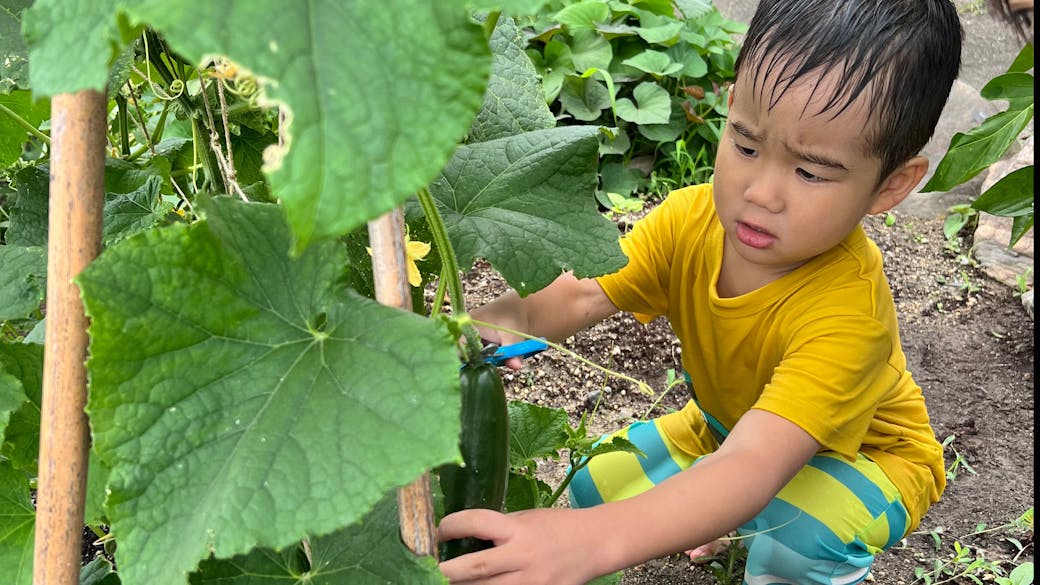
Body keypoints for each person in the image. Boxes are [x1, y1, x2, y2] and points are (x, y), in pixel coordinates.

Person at [437, 0, 963, 583]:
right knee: (595, 484)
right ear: (732, 105)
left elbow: (756, 463)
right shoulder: (689, 219)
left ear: (892, 185)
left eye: (810, 172)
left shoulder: (849, 311)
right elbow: (579, 297)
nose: (761, 192)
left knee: (795, 537)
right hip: (725, 430)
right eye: (746, 144)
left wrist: (591, 544)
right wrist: (467, 330)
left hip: (864, 459)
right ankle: (726, 513)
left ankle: (766, 534)